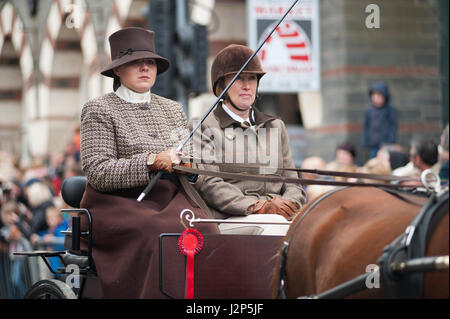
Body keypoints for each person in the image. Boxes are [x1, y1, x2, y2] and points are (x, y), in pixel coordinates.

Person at [79, 27, 218, 298]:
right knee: (161, 232)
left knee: (206, 227)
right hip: (117, 203)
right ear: (118, 70)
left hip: (170, 197)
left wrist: (190, 165)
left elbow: (188, 158)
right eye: (135, 62)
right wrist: (152, 161)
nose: (145, 68)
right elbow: (97, 171)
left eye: (150, 62)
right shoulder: (99, 109)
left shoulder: (173, 108)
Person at [193, 44, 306, 235]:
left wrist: (289, 205)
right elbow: (209, 184)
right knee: (274, 226)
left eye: (252, 78)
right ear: (221, 86)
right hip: (230, 217)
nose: (247, 86)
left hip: (280, 216)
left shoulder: (276, 126)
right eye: (238, 79)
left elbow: (292, 182)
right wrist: (258, 206)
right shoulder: (203, 126)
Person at [361, 81, 398, 159]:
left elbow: (393, 127)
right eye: (374, 96)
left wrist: (390, 141)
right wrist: (365, 142)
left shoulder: (389, 110)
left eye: (379, 96)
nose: (376, 98)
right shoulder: (369, 111)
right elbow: (366, 128)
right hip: (372, 145)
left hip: (385, 144)